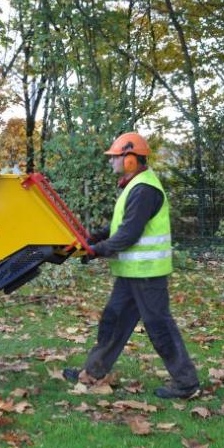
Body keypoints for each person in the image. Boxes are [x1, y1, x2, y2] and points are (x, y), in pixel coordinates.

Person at [63, 132, 200, 399]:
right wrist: (93, 238)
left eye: (116, 158)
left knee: (160, 327)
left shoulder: (144, 189)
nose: (112, 162)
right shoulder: (134, 186)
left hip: (147, 275)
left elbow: (129, 235)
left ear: (130, 160)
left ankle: (187, 384)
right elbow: (118, 227)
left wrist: (95, 250)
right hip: (131, 275)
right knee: (113, 322)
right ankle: (93, 372)